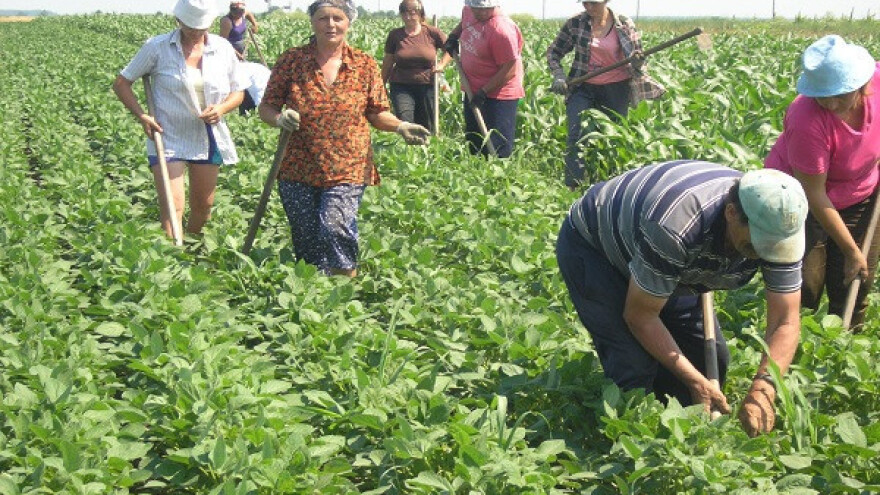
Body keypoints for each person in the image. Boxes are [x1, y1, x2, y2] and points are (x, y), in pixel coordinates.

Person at [556, 160, 809, 437]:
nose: (767, 253)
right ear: (731, 213)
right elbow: (640, 316)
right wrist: (695, 382)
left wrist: (764, 390)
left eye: (774, 246)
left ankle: (685, 441)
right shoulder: (678, 226)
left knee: (709, 364)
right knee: (633, 369)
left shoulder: (782, 228)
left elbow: (785, 321)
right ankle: (630, 453)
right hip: (598, 250)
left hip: (673, 269)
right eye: (758, 243)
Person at [258, 0, 431, 277]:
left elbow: (377, 112)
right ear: (312, 22)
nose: (330, 24)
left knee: (335, 224)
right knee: (306, 235)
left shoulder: (363, 64)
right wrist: (279, 119)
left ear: (348, 22)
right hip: (298, 164)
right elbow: (266, 107)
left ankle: (343, 290)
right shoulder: (292, 60)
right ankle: (313, 295)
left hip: (348, 164)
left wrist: (400, 126)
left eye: (337, 18)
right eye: (323, 18)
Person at [765, 35, 880, 330]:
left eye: (839, 94)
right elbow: (814, 195)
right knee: (806, 282)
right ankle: (791, 336)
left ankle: (847, 341)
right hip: (802, 198)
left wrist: (855, 256)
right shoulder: (806, 118)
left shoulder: (877, 82)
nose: (830, 102)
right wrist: (850, 250)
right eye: (822, 94)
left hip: (860, 189)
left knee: (855, 279)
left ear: (861, 85)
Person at [113, 0, 246, 239]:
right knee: (173, 208)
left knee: (204, 207)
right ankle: (175, 261)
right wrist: (142, 115)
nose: (196, 33)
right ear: (179, 21)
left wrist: (222, 108)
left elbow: (239, 92)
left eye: (201, 27)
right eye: (190, 27)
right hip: (167, 136)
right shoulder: (157, 47)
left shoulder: (222, 48)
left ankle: (193, 256)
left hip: (208, 135)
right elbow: (122, 83)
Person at [546, 0, 665, 189]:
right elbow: (554, 52)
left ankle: (609, 184)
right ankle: (573, 186)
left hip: (616, 88)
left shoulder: (624, 24)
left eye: (594, 3)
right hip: (583, 86)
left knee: (613, 136)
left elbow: (639, 60)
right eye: (585, 3)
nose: (589, 8)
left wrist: (637, 61)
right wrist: (559, 76)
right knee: (576, 135)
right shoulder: (575, 23)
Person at [443, 0, 524, 158]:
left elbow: (510, 69)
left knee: (497, 144)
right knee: (475, 140)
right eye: (477, 9)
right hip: (473, 87)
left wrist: (484, 91)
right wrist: (453, 36)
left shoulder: (501, 30)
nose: (482, 13)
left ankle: (498, 178)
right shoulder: (468, 11)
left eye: (486, 9)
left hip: (500, 94)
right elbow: (464, 23)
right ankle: (476, 176)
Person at [381, 0, 451, 134]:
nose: (408, 16)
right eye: (404, 12)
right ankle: (408, 152)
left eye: (412, 12)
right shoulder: (395, 35)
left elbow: (451, 49)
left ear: (420, 13)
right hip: (401, 85)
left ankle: (426, 152)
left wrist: (442, 64)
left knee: (427, 124)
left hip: (428, 85)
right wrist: (381, 84)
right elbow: (388, 61)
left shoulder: (431, 32)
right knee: (405, 120)